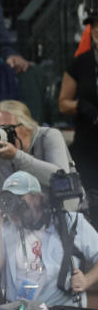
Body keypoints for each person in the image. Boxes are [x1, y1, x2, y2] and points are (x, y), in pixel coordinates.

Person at [0, 171, 98, 307]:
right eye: (10, 198)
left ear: (36, 198)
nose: (15, 204)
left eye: (19, 197)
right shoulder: (6, 229)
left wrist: (87, 280)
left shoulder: (71, 222)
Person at [0, 100, 77, 210]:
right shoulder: (0, 152)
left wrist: (16, 156)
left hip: (62, 218)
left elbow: (62, 178)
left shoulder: (48, 136)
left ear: (27, 127)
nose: (2, 134)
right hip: (20, 221)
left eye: (7, 128)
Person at [58, 14, 98, 224]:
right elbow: (63, 103)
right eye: (96, 27)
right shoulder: (80, 64)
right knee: (89, 206)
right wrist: (80, 105)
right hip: (88, 148)